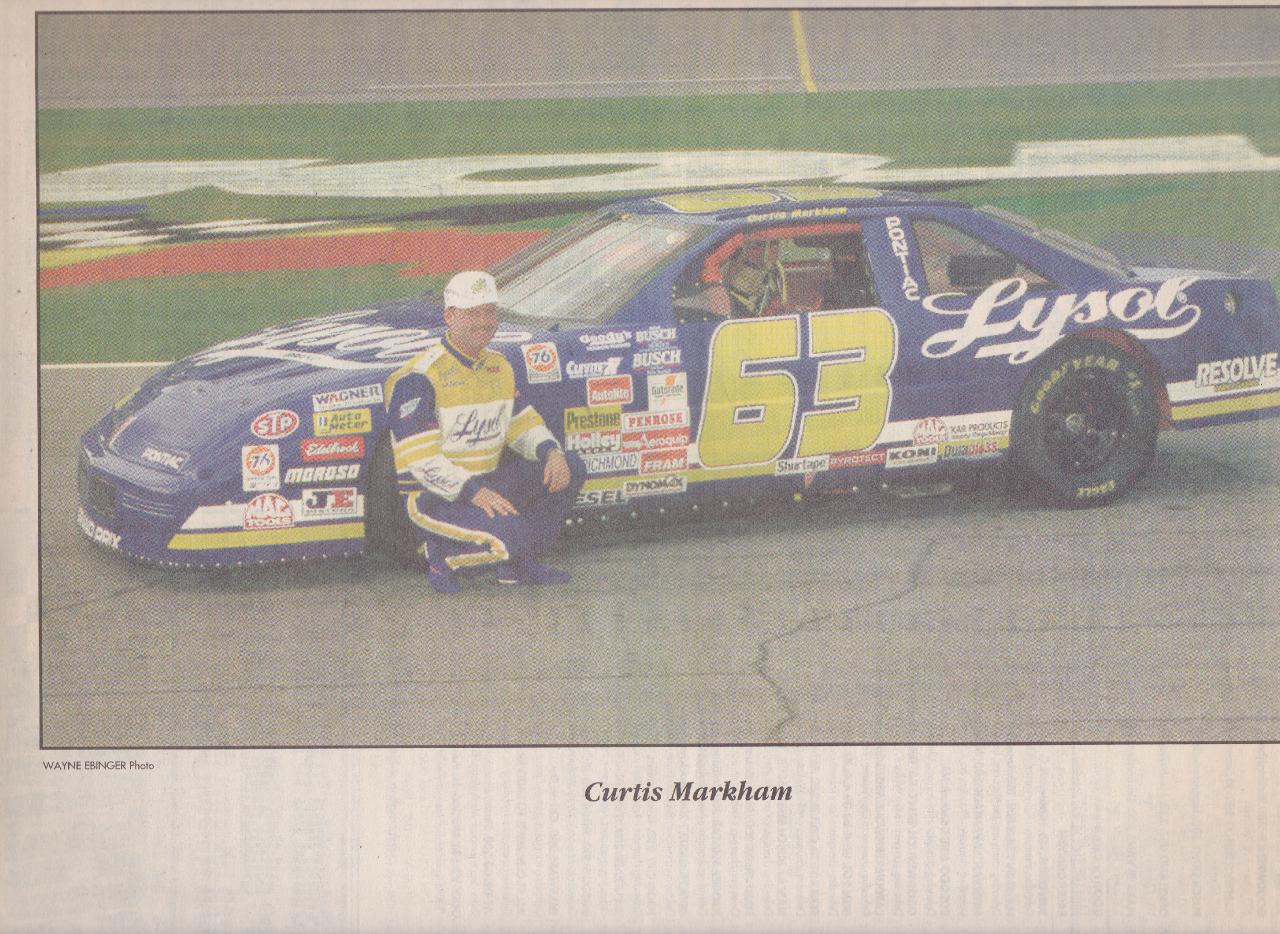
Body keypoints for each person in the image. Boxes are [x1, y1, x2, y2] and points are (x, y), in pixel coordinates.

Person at [384, 270, 586, 594]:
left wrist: (551, 451)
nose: (483, 322)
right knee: (515, 537)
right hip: (436, 497)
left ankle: (516, 565)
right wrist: (473, 491)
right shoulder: (419, 376)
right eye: (472, 313)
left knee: (570, 467)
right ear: (449, 316)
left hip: (488, 483)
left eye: (489, 312)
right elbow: (422, 462)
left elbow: (522, 424)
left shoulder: (499, 365)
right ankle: (442, 556)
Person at [720, 240, 786, 317]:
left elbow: (780, 302)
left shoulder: (775, 270)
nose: (774, 249)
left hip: (758, 314)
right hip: (735, 306)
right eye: (755, 246)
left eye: (775, 244)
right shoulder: (733, 264)